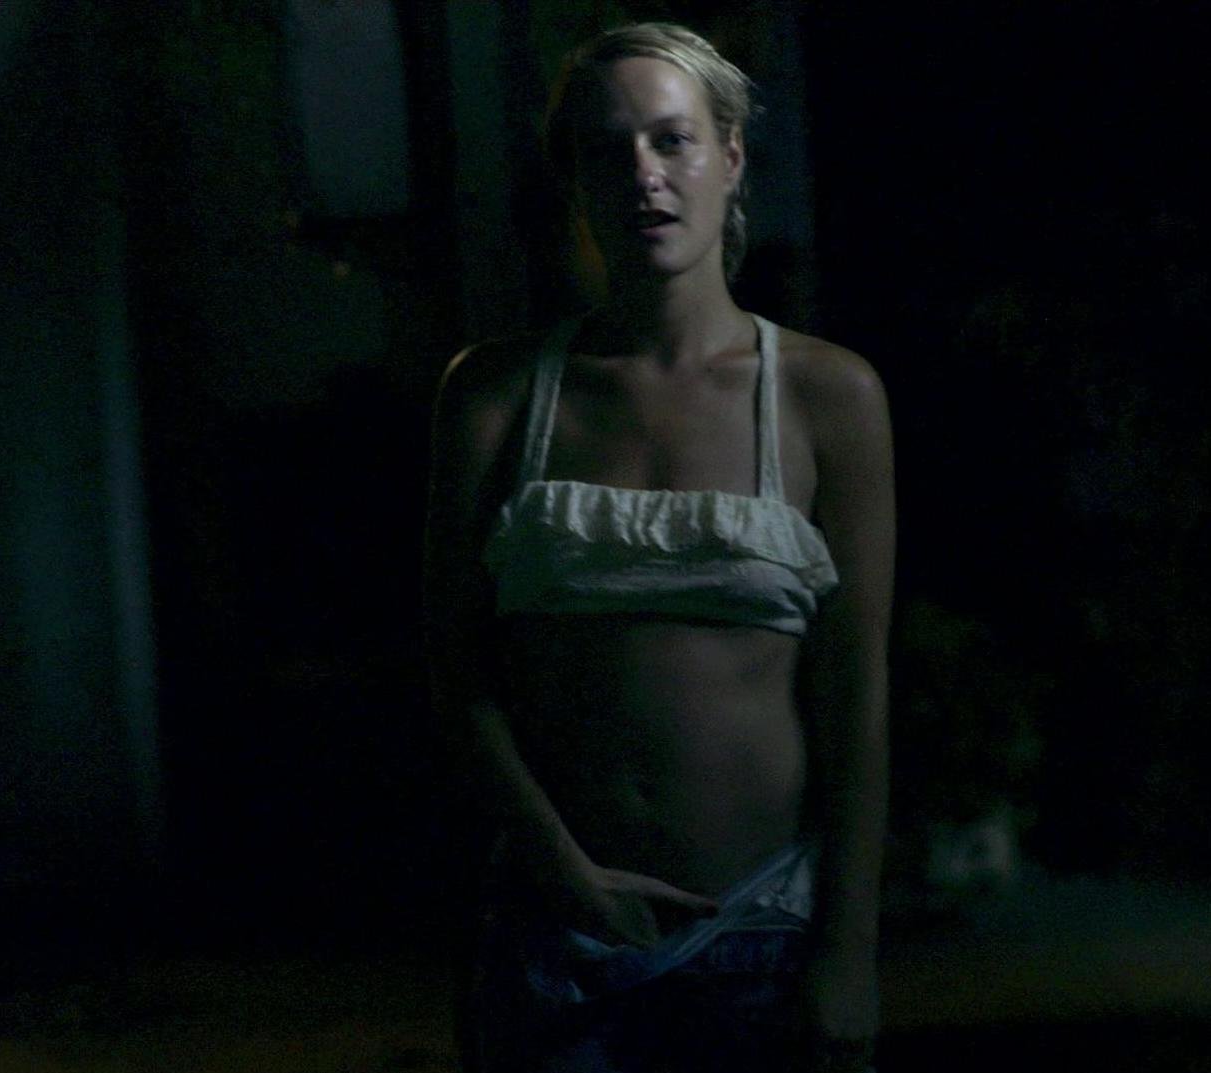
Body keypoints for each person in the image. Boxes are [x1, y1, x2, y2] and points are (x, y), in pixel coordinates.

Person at [424, 22, 894, 1073]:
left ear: (730, 156)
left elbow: (855, 691)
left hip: (763, 934)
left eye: (670, 139)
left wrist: (849, 948)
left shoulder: (828, 395)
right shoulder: (496, 395)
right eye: (606, 150)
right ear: (573, 182)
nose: (643, 173)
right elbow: (455, 670)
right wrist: (562, 870)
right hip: (555, 941)